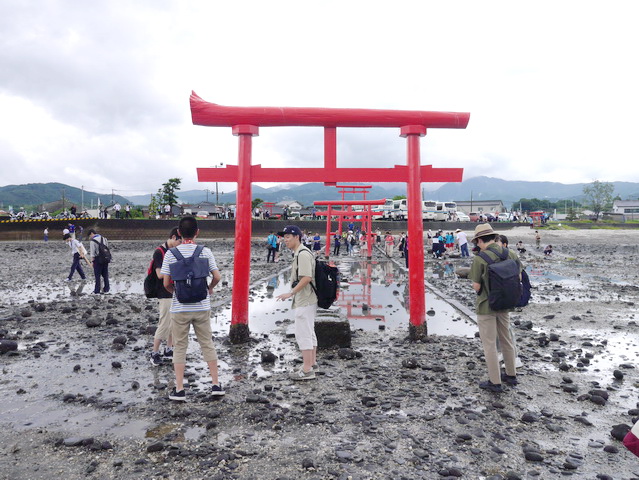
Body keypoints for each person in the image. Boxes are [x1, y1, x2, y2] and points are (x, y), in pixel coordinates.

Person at [161, 216, 224, 400]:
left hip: (179, 308)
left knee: (180, 346)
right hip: (202, 306)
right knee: (207, 343)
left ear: (179, 233)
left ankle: (179, 389)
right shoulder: (205, 251)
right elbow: (217, 276)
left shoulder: (170, 254)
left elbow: (165, 282)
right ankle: (215, 384)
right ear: (197, 232)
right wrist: (209, 289)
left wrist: (175, 292)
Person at [469, 224, 522, 393]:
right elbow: (519, 276)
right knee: (506, 339)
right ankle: (511, 375)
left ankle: (495, 382)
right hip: (506, 303)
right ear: (495, 237)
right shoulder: (510, 254)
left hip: (486, 306)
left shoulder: (480, 258)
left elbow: (476, 287)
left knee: (490, 344)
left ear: (479, 240)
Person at [276, 225, 318, 381]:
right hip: (308, 298)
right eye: (284, 237)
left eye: (288, 237)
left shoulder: (302, 254)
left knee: (303, 333)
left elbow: (306, 278)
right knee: (309, 331)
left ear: (297, 237)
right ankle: (312, 364)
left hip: (305, 299)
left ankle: (307, 370)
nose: (285, 240)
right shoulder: (300, 253)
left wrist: (290, 293)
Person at [150, 228, 182, 366]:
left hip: (174, 290)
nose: (181, 245)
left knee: (174, 323)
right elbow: (159, 275)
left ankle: (169, 349)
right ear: (173, 237)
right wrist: (177, 269)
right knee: (164, 323)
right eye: (180, 241)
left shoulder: (174, 251)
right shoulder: (159, 252)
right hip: (163, 291)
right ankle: (154, 353)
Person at [87, 229, 110, 294]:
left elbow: (92, 253)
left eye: (89, 236)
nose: (90, 237)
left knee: (97, 276)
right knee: (105, 275)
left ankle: (97, 290)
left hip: (98, 259)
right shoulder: (104, 239)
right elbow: (107, 248)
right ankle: (106, 289)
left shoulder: (93, 241)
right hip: (105, 258)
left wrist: (92, 262)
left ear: (92, 233)